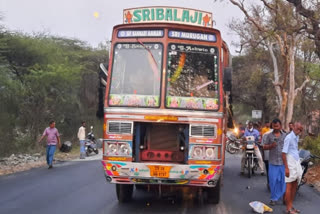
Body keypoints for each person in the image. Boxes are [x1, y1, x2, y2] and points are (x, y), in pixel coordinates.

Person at [262, 118, 287, 206]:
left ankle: (282, 196)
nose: (276, 127)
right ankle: (273, 198)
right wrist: (271, 146)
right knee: (273, 181)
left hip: (283, 163)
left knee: (283, 182)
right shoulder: (268, 136)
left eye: (277, 126)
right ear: (272, 126)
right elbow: (264, 147)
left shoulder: (285, 136)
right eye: (274, 126)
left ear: (280, 126)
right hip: (272, 162)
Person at [282, 122, 303, 214]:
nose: (299, 131)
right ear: (293, 127)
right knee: (289, 186)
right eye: (298, 128)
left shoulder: (296, 137)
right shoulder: (289, 138)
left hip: (296, 161)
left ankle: (291, 206)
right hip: (290, 162)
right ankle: (288, 209)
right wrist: (286, 168)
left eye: (301, 129)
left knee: (295, 184)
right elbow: (283, 153)